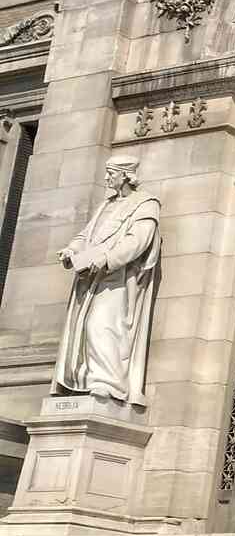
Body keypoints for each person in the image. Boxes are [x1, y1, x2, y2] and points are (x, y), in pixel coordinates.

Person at [53, 156, 161, 406]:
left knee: (101, 325)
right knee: (83, 329)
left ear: (125, 175)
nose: (106, 178)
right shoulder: (106, 205)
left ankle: (107, 382)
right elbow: (86, 236)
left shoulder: (146, 204)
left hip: (118, 278)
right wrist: (71, 250)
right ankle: (84, 380)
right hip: (90, 277)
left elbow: (138, 240)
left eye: (111, 173)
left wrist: (107, 259)